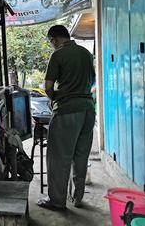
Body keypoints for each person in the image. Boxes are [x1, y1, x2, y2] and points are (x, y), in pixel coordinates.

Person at [37, 25, 95, 211]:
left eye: (51, 41)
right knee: (80, 155)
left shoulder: (58, 55)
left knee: (58, 157)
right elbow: (91, 80)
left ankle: (56, 201)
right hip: (87, 109)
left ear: (53, 39)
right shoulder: (86, 53)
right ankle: (77, 197)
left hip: (67, 111)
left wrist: (56, 99)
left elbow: (47, 86)